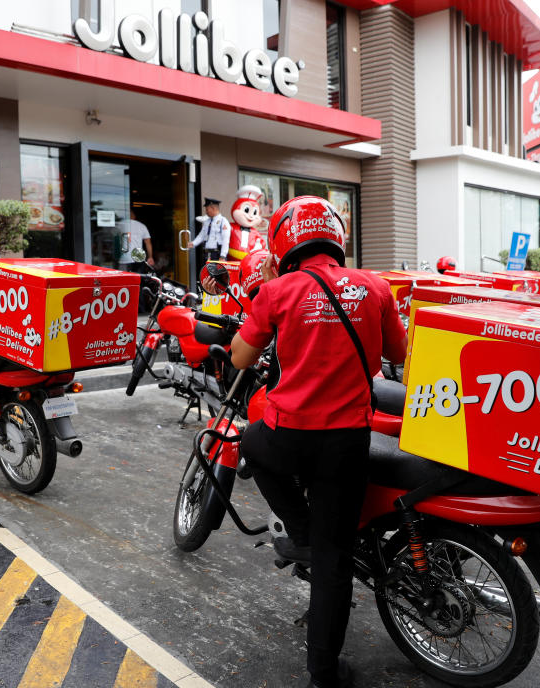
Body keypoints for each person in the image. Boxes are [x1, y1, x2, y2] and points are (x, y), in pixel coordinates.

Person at [229, 196, 407, 688]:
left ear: (285, 239)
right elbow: (397, 352)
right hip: (347, 441)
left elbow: (242, 358)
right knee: (335, 561)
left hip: (288, 435)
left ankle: (299, 533)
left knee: (250, 445)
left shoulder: (278, 290)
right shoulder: (377, 286)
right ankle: (323, 675)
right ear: (336, 237)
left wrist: (263, 297)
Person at [188, 197, 231, 263]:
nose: (206, 212)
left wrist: (223, 256)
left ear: (213, 208)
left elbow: (225, 240)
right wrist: (193, 243)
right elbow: (202, 235)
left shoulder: (223, 221)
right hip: (207, 254)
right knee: (206, 272)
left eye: (207, 209)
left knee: (217, 273)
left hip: (217, 254)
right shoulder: (207, 222)